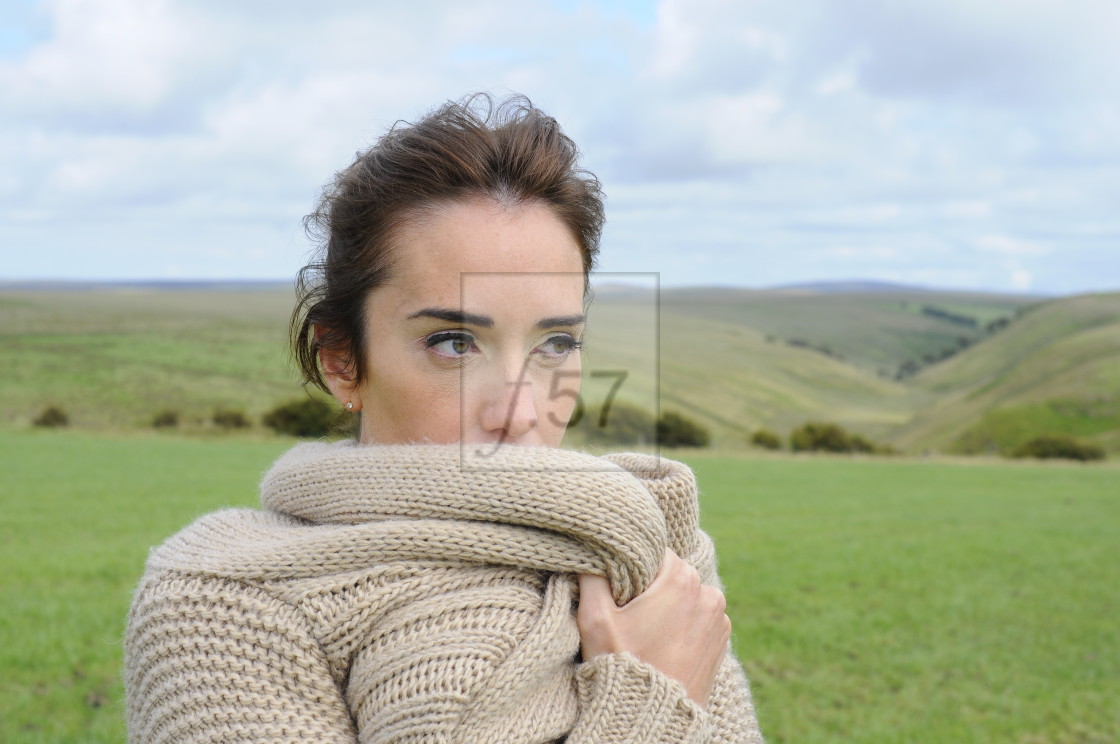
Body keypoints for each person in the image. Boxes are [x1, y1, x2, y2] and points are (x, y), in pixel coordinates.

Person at [124, 94, 764, 743]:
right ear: (342, 360)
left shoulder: (652, 559)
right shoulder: (222, 601)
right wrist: (656, 704)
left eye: (556, 344)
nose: (519, 411)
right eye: (454, 343)